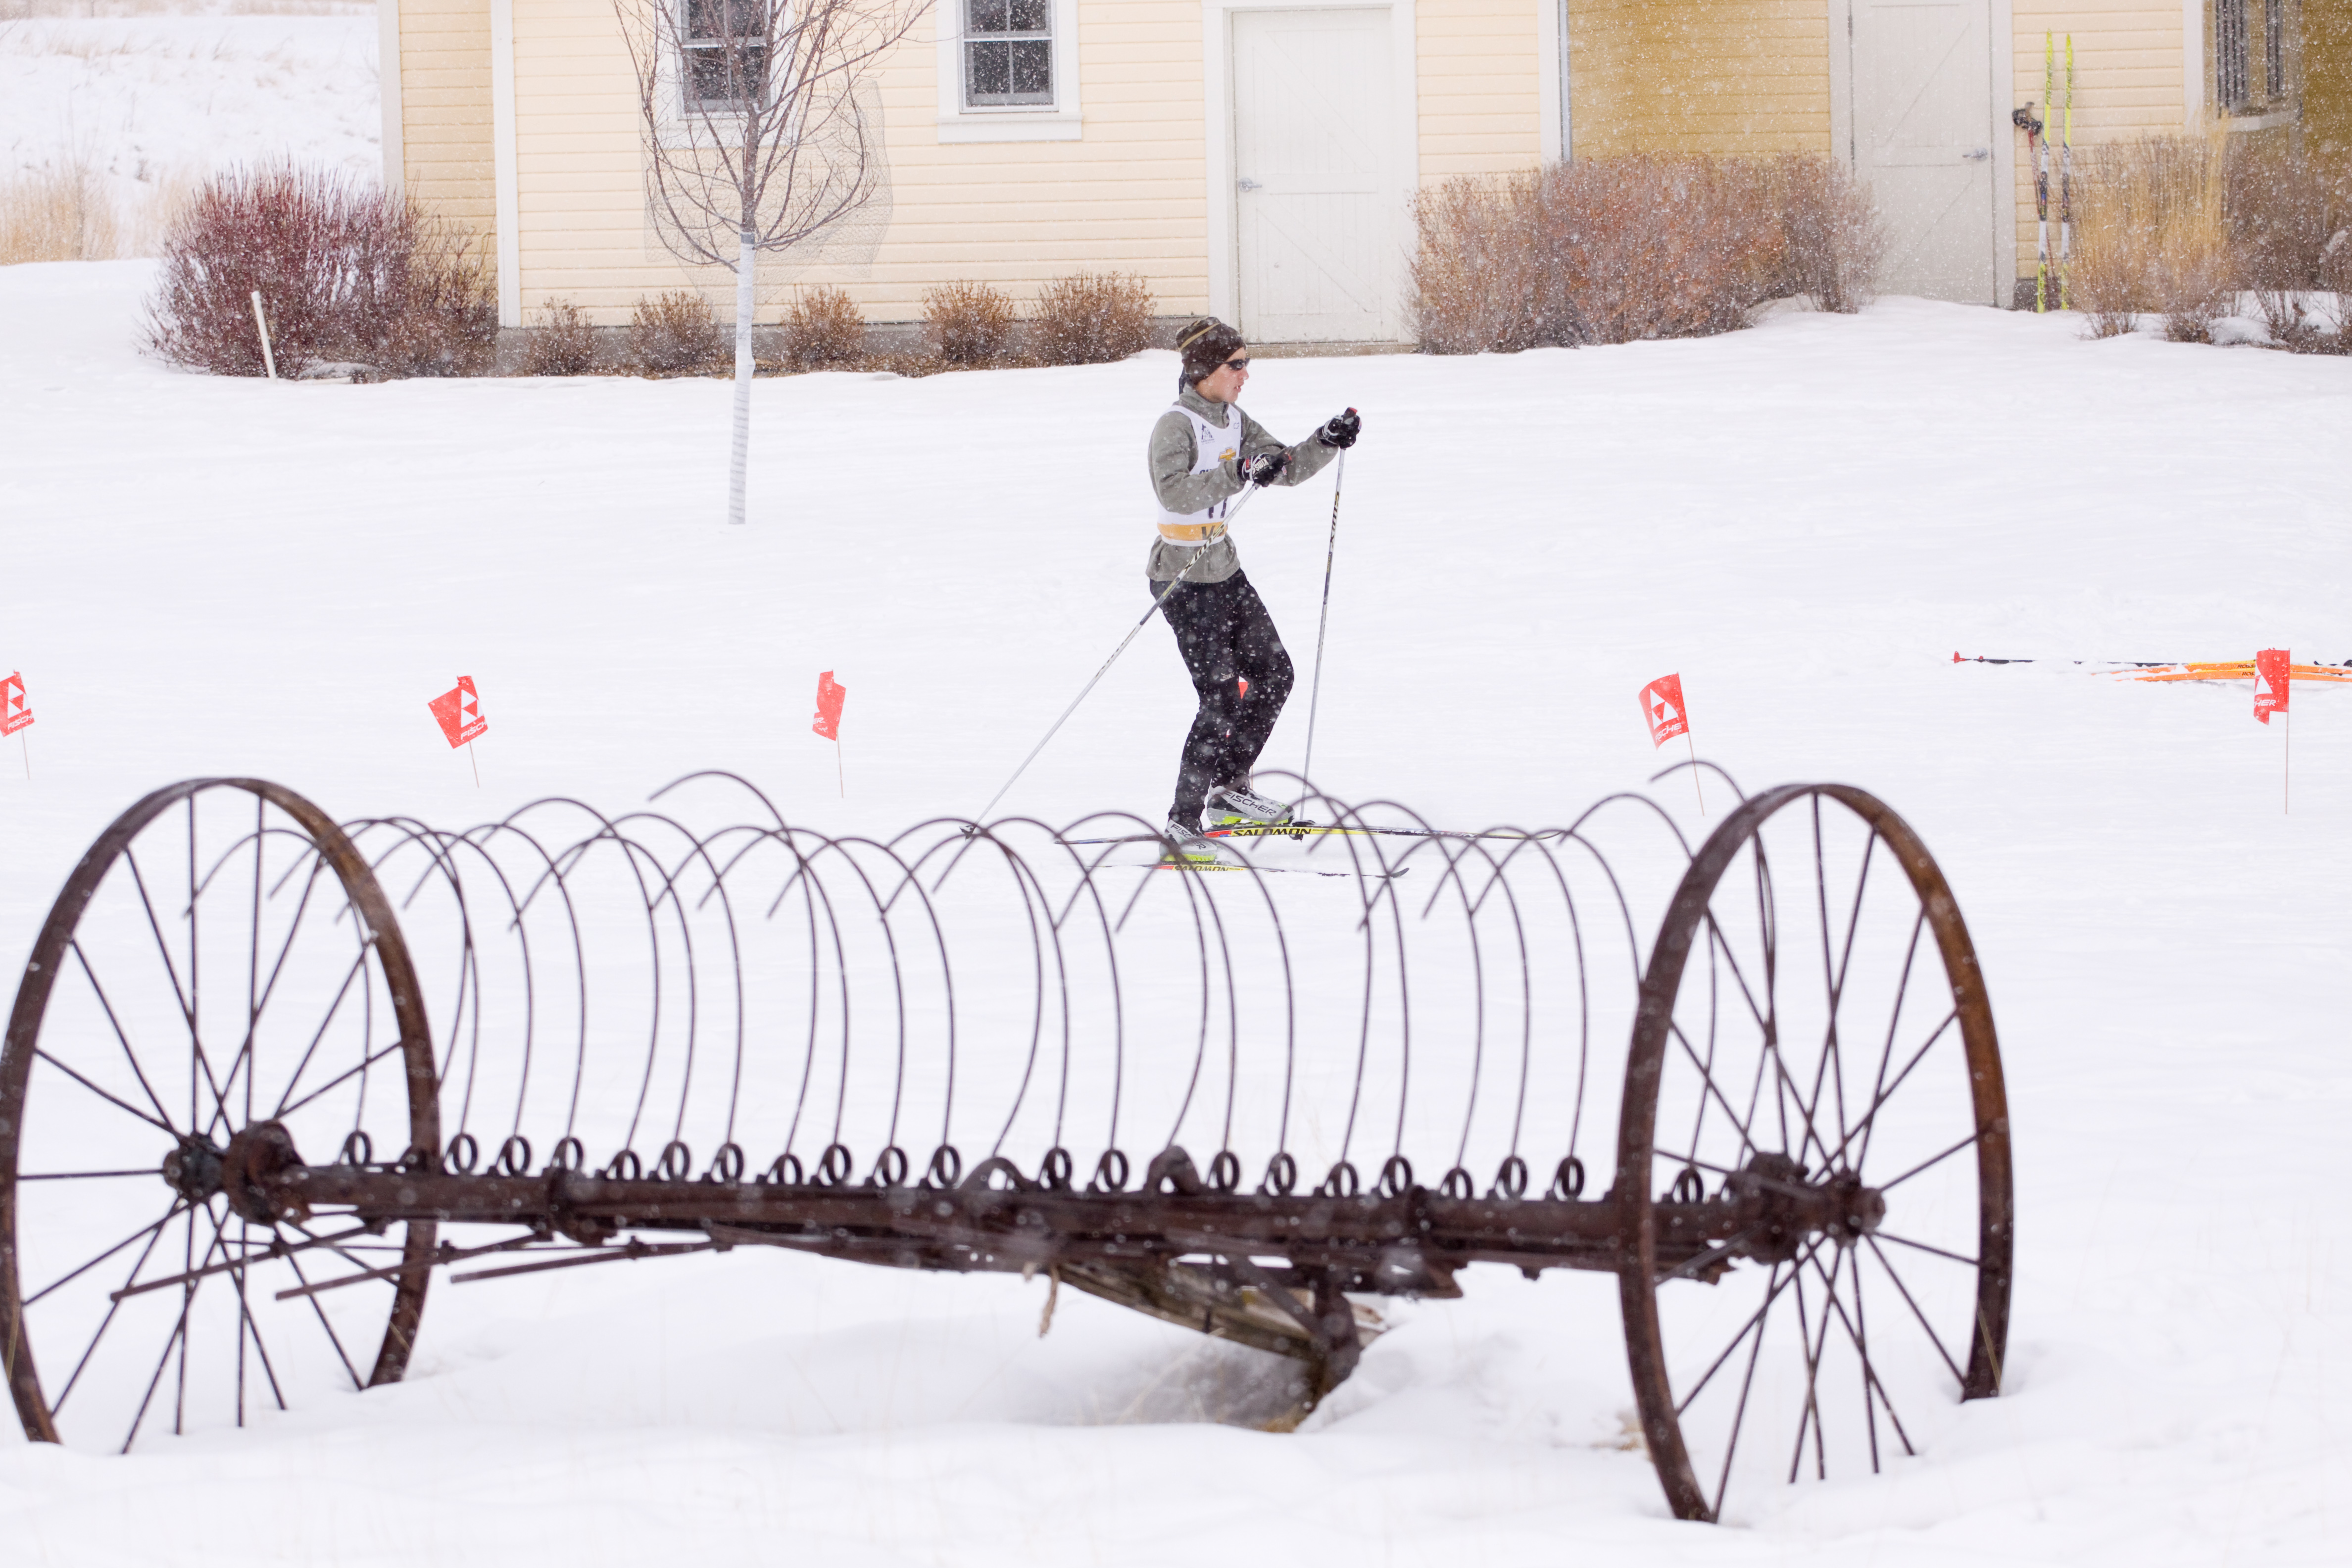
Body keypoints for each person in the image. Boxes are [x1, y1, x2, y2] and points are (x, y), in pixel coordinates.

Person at [1146, 317, 1360, 863]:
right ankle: (1182, 823)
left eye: (1246, 364)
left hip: (1224, 570)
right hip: (1182, 579)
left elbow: (1281, 467)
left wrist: (1325, 441)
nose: (1245, 375)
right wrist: (1240, 470)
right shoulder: (1175, 427)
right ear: (1204, 371)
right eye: (1235, 365)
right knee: (1218, 697)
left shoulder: (1232, 418)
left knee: (1274, 673)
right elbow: (1175, 494)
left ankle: (1228, 792)